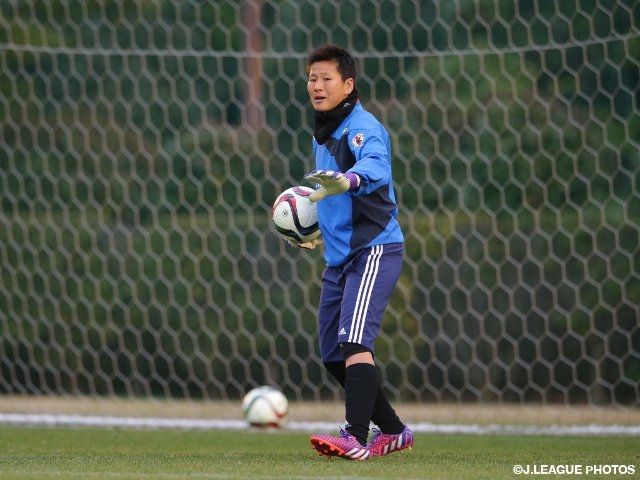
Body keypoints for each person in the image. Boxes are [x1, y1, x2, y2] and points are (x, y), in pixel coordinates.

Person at [288, 44, 413, 460]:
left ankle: (356, 437)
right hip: (338, 259)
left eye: (326, 78)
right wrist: (317, 232)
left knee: (356, 340)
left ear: (348, 84)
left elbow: (377, 166)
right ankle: (392, 431)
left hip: (373, 251)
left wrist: (352, 179)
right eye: (312, 78)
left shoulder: (362, 127)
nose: (317, 85)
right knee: (331, 355)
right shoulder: (323, 130)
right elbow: (332, 199)